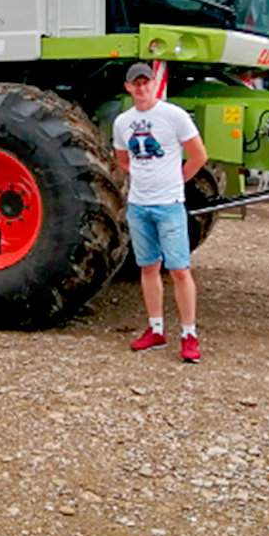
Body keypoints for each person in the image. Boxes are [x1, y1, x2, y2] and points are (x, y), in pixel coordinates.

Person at [113, 62, 208, 363]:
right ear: (128, 87)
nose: (141, 88)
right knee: (148, 267)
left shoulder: (173, 116)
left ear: (154, 84)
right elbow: (123, 159)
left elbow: (198, 155)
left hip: (169, 205)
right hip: (139, 205)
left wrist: (176, 180)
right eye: (135, 84)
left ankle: (189, 334)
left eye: (145, 82)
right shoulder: (122, 122)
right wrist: (143, 178)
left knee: (179, 269)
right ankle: (156, 329)